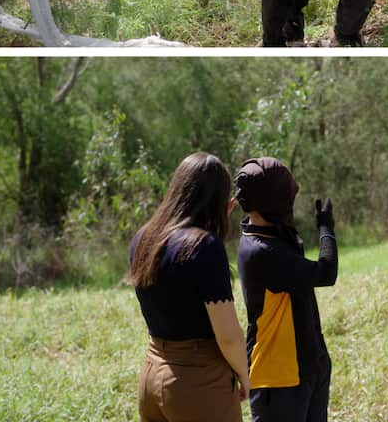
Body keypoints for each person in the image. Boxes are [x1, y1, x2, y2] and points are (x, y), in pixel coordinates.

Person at [127, 152, 249, 422]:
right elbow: (228, 337)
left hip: (151, 375)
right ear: (220, 202)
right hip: (198, 382)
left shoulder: (143, 239)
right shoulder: (204, 247)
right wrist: (244, 374)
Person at [234, 157, 337, 422]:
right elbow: (326, 272)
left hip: (306, 365)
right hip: (278, 378)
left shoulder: (271, 236)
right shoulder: (262, 251)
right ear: (273, 201)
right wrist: (326, 229)